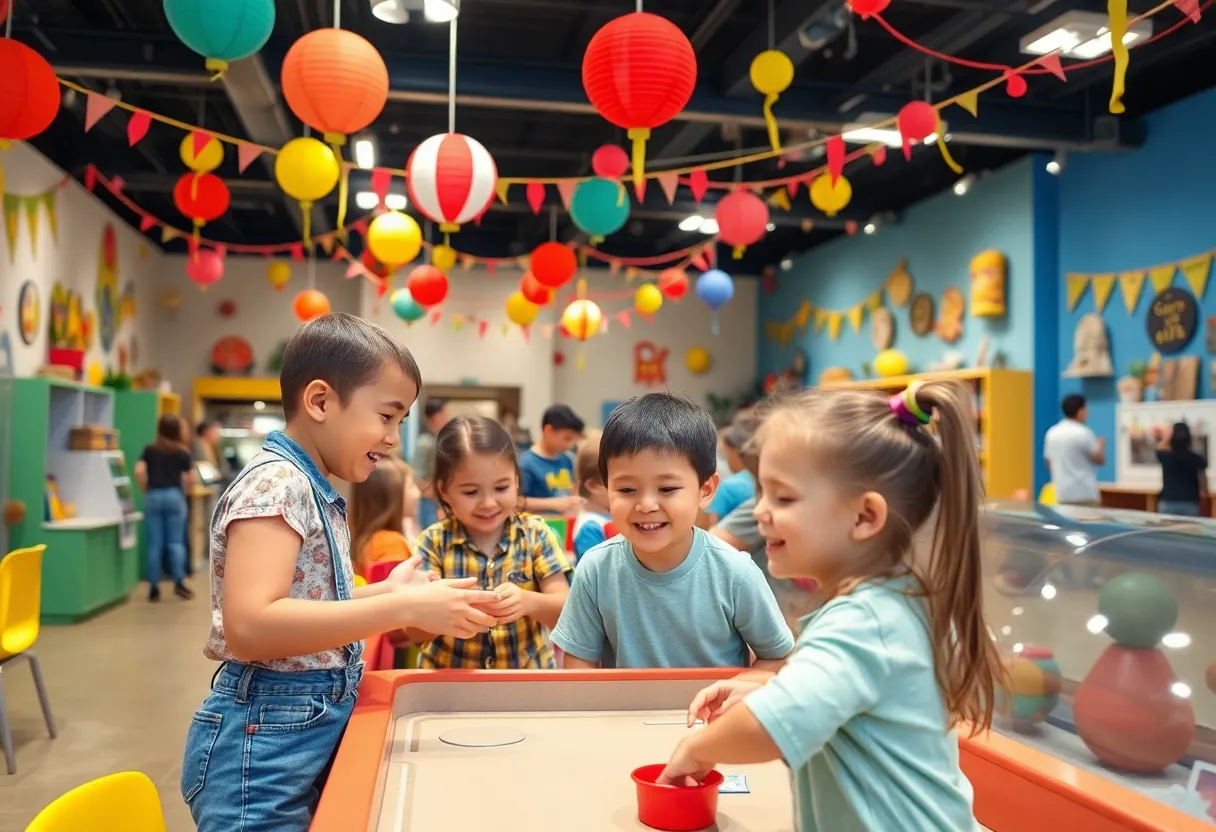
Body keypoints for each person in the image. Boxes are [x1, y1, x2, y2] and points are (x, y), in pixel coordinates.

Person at [181, 313, 500, 832]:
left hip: (294, 731)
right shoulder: (278, 484)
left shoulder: (307, 484)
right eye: (387, 416)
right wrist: (399, 608)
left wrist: (384, 592)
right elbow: (251, 626)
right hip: (262, 750)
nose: (393, 438)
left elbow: (305, 605)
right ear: (321, 401)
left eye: (401, 422)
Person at [656, 382, 999, 832]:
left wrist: (698, 748)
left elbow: (770, 729)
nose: (759, 511)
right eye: (761, 493)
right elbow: (865, 701)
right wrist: (774, 689)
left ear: (864, 517)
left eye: (783, 497)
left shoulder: (862, 622)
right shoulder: (903, 599)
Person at [552, 393, 794, 670]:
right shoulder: (595, 569)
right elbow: (579, 664)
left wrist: (738, 689)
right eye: (627, 489)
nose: (646, 505)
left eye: (667, 489)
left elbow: (778, 657)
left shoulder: (736, 573)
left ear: (706, 490)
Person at [409, 416, 573, 669]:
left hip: (527, 680)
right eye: (471, 492)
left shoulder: (536, 534)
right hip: (447, 682)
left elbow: (566, 610)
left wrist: (528, 602)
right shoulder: (433, 542)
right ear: (443, 491)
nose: (488, 503)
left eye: (501, 488)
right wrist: (446, 611)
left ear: (516, 481)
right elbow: (413, 632)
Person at [135, 413, 196, 602]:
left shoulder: (150, 449)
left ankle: (154, 587)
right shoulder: (182, 451)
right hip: (174, 495)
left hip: (154, 495)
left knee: (155, 543)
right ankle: (179, 582)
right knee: (176, 542)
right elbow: (191, 477)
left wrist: (145, 487)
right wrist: (184, 492)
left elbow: (139, 470)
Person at [350, 459, 413, 578]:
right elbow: (397, 587)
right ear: (394, 497)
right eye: (411, 487)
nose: (417, 493)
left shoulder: (364, 542)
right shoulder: (391, 543)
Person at [519, 403, 585, 516]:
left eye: (573, 441)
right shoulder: (527, 463)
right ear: (548, 430)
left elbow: (573, 489)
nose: (570, 445)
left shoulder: (567, 459)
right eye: (567, 439)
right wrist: (553, 504)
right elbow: (517, 502)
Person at [1044, 393, 1105, 506]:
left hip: (1062, 493)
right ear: (1080, 411)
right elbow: (1099, 459)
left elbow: (1049, 461)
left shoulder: (1052, 433)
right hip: (1085, 493)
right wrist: (1101, 446)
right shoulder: (1084, 433)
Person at [700, 414, 758, 528]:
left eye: (726, 455)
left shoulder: (728, 487)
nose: (727, 462)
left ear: (736, 453)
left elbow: (709, 527)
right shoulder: (763, 480)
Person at [412, 398, 451, 529]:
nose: (446, 418)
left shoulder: (438, 440)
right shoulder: (425, 442)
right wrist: (430, 493)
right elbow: (416, 475)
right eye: (444, 415)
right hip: (427, 501)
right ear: (434, 417)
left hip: (436, 501)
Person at [572, 434, 611, 564]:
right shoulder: (590, 528)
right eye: (622, 488)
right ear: (594, 485)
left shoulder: (610, 518)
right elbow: (596, 571)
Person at [1157, 421, 1208, 516]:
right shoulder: (1197, 459)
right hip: (1190, 503)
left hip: (1168, 502)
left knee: (1166, 526)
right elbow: (1203, 485)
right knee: (1188, 526)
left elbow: (1159, 447)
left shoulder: (1166, 456)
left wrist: (1169, 436)